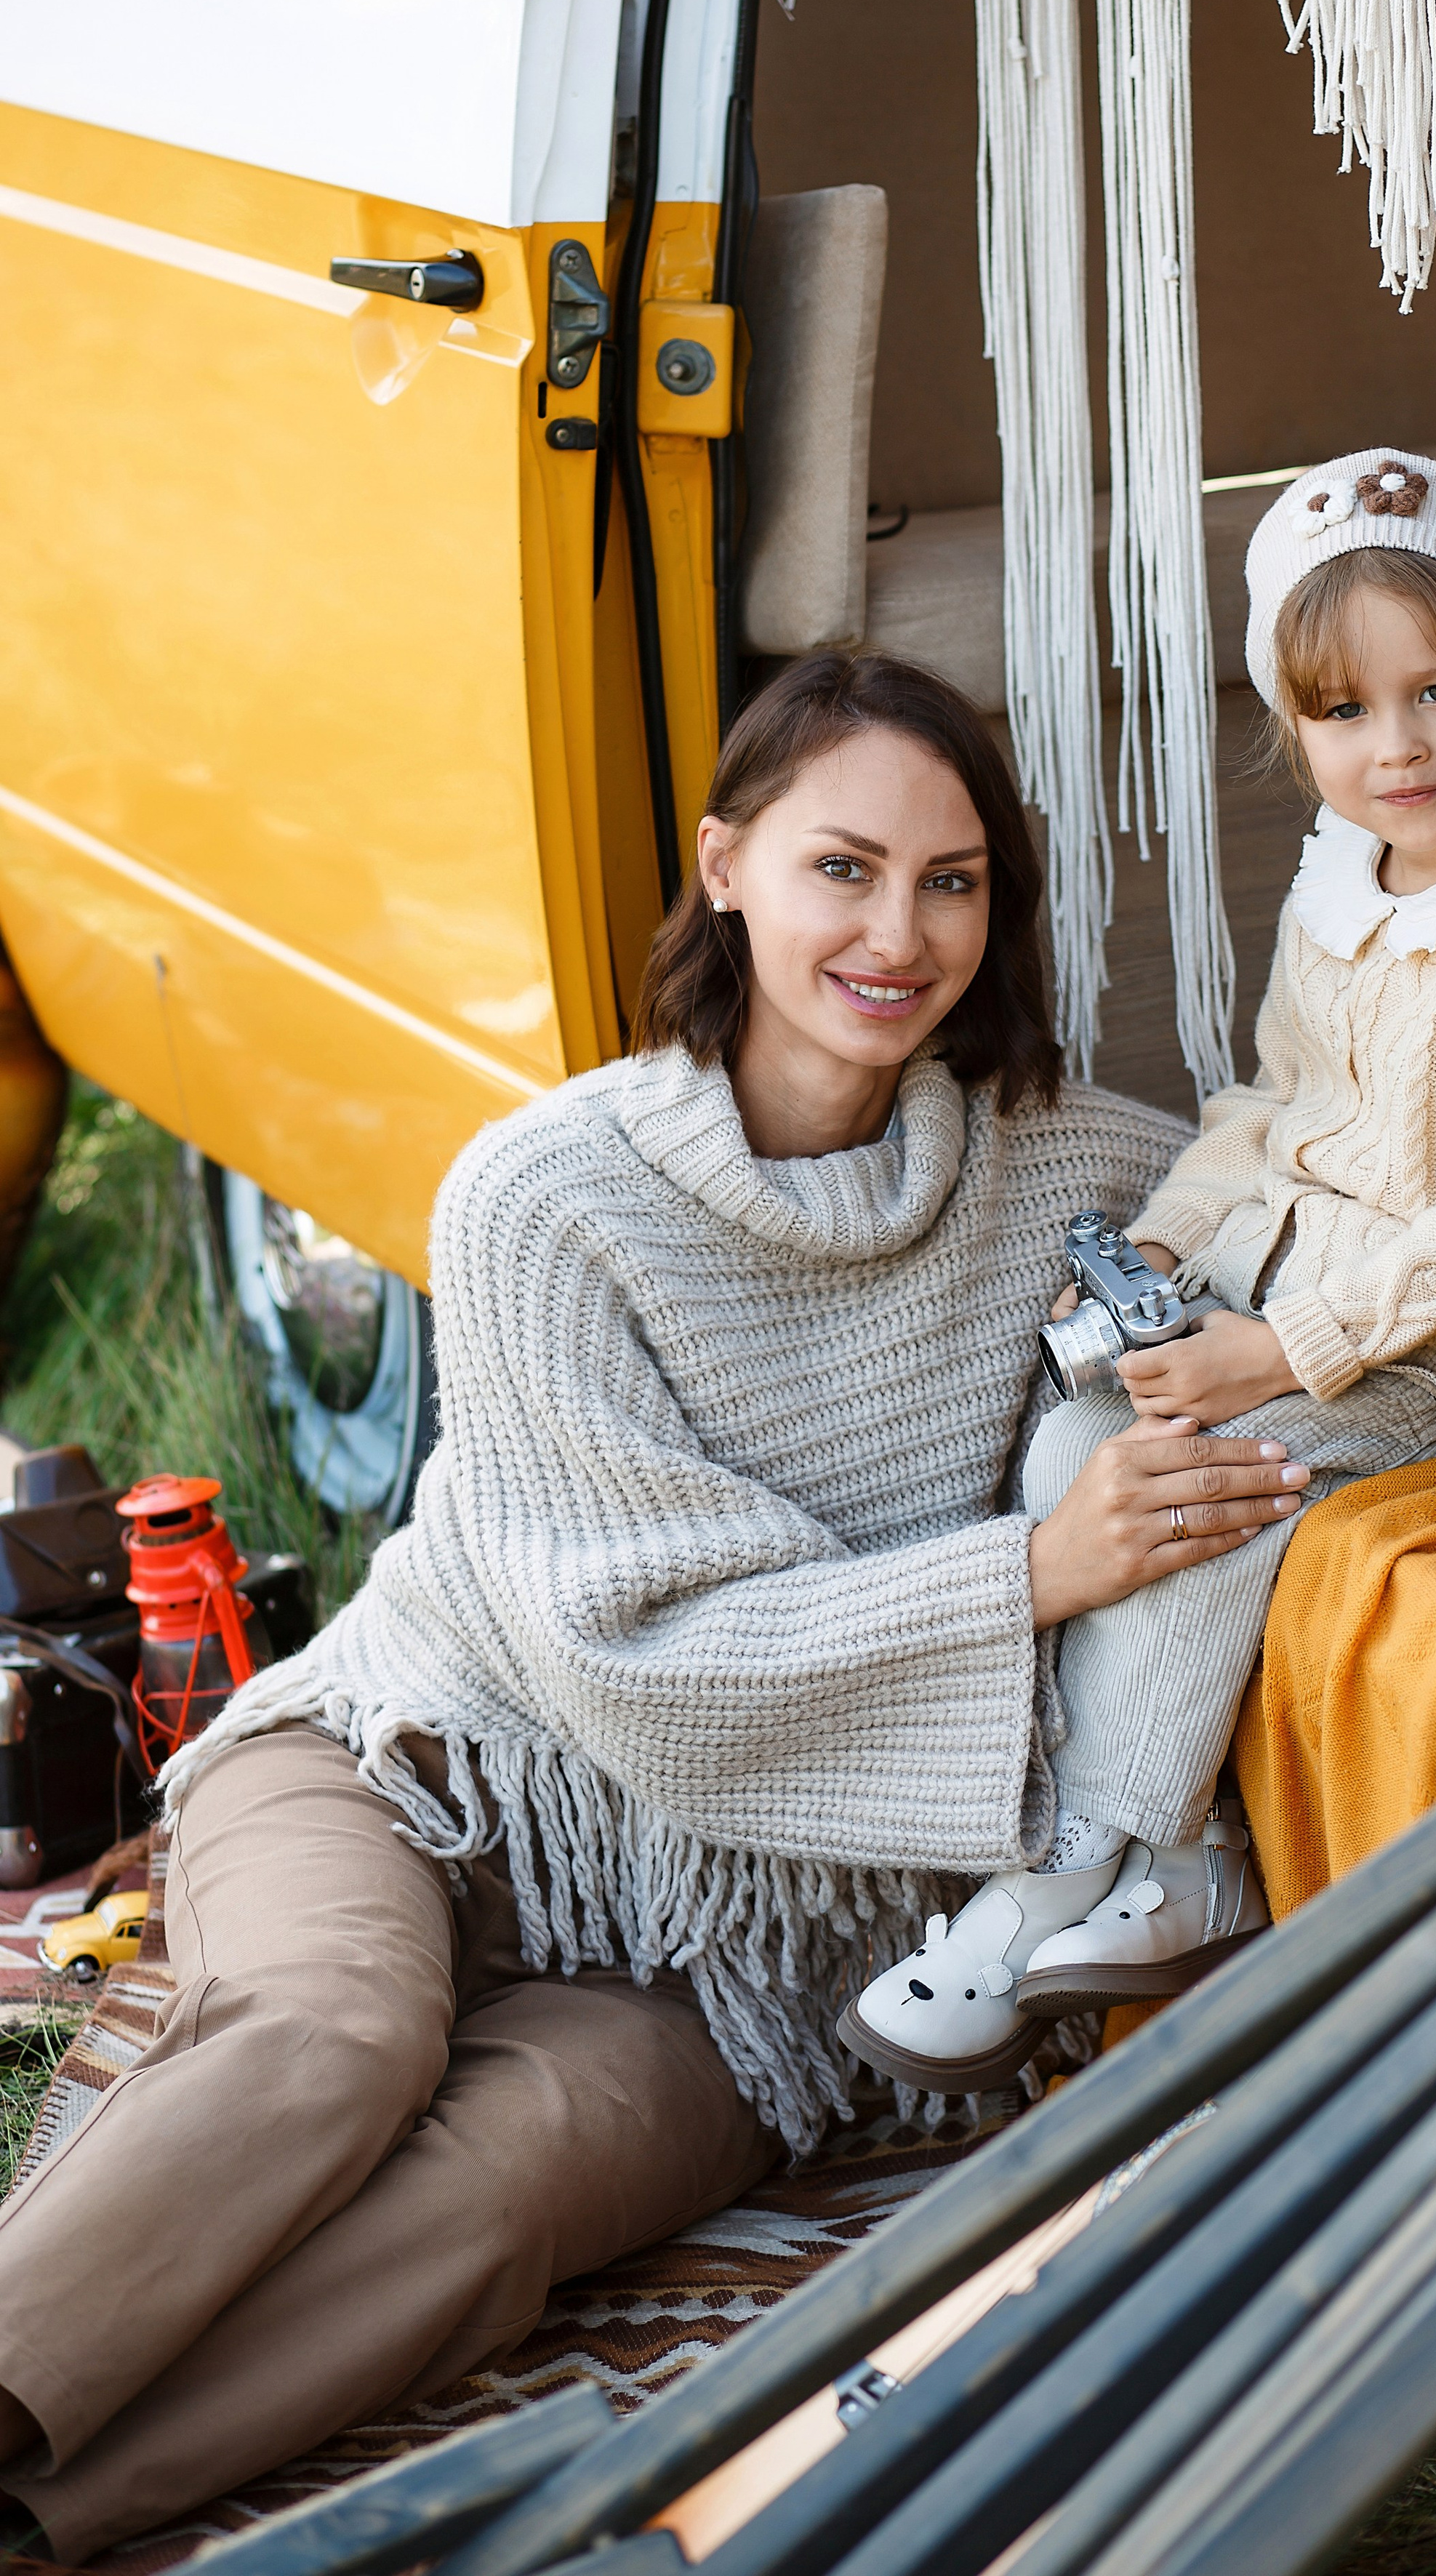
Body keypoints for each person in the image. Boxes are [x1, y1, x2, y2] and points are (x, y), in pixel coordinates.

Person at [0, 651, 1306, 2564]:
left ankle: (42, 2517)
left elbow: (1336, 1270)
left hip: (768, 1938)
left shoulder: (1091, 1181)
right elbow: (635, 1668)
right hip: (434, 1764)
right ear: (723, 866)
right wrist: (1034, 1572)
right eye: (842, 868)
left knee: (505, 2192)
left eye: (951, 882)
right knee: (338, 2041)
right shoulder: (544, 1196)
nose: (898, 934)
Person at [844, 450, 1436, 2088]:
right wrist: (1163, 1243)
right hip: (1301, 1294)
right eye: (1343, 711)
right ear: (1294, 723)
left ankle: (1099, 1852)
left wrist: (1274, 1354)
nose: (1396, 747)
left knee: (1210, 1470)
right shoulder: (1340, 881)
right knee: (1073, 1443)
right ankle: (1160, 1849)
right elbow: (1271, 1105)